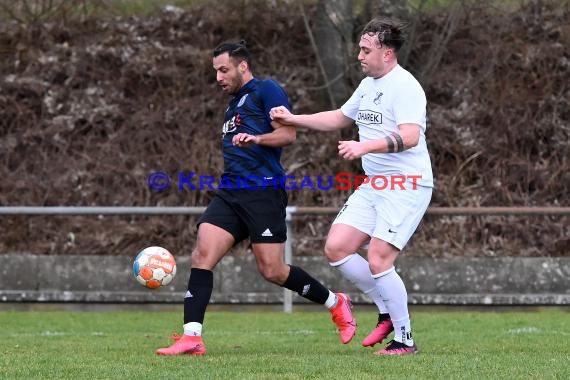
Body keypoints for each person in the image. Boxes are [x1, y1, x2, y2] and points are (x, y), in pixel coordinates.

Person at [156, 40, 356, 356]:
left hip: (263, 191)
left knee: (272, 271)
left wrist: (258, 138)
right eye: (216, 72)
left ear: (243, 66)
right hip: (230, 192)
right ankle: (192, 337)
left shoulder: (267, 90)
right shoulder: (233, 104)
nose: (219, 77)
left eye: (224, 70)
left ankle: (336, 302)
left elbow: (288, 135)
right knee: (201, 255)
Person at [270, 17, 433, 356]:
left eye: (365, 49)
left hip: (407, 184)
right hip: (376, 183)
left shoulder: (405, 86)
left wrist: (363, 147)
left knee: (378, 257)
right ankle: (386, 310)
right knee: (337, 247)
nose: (358, 55)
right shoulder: (369, 84)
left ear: (387, 53)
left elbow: (410, 136)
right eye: (359, 48)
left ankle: (405, 340)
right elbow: (341, 117)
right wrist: (293, 118)